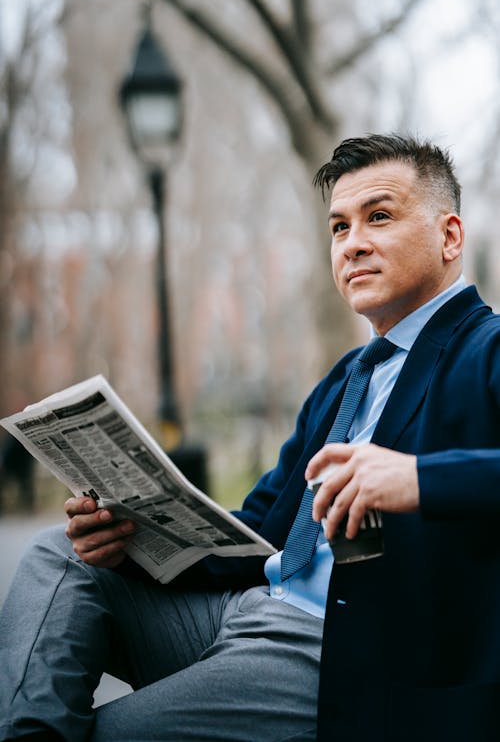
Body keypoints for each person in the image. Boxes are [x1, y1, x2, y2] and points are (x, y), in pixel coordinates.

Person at [2, 133, 500, 742]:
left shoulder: (488, 350)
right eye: (339, 228)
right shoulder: (347, 379)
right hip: (247, 609)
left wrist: (415, 478)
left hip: (337, 647)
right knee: (63, 555)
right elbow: (262, 525)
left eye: (379, 217)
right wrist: (133, 531)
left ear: (450, 236)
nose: (354, 244)